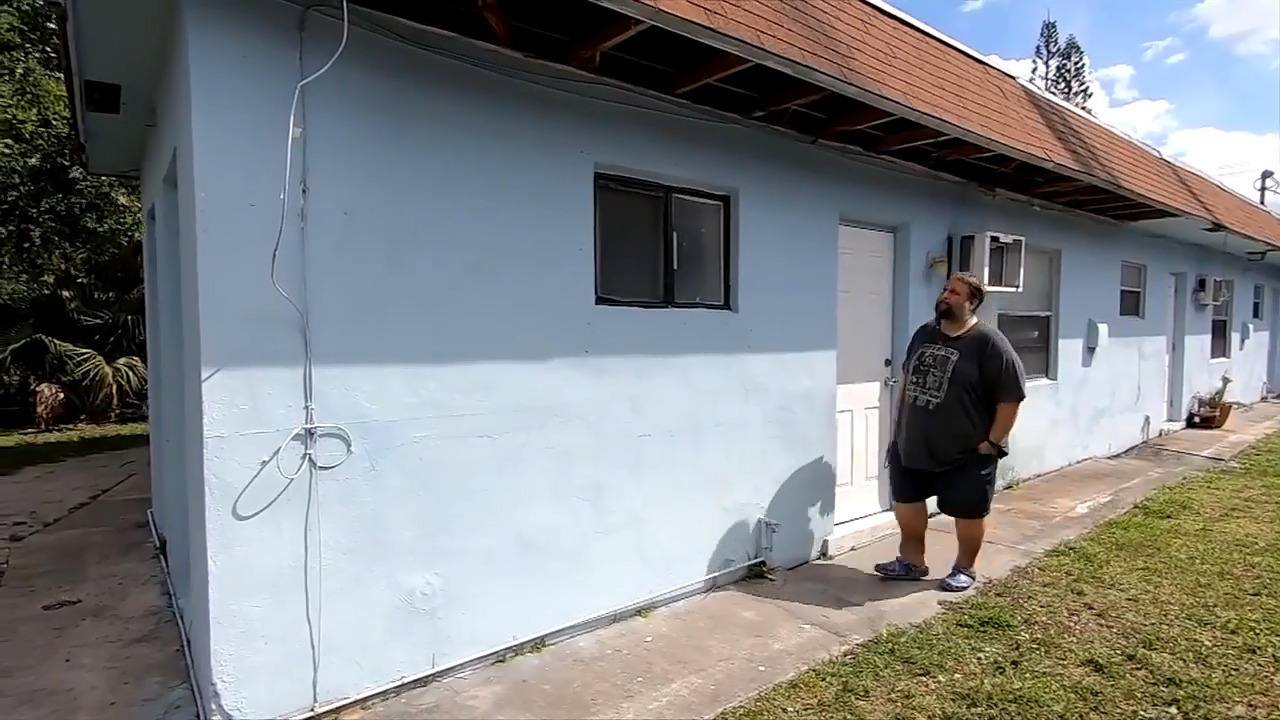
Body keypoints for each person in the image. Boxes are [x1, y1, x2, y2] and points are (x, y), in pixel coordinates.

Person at [874, 271, 1027, 592]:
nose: (945, 296)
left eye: (955, 293)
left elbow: (1010, 397)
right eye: (945, 290)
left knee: (968, 513)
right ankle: (911, 561)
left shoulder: (989, 343)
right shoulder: (924, 333)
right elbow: (907, 380)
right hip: (912, 443)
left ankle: (965, 568)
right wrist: (898, 428)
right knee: (907, 503)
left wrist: (992, 442)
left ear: (972, 303)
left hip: (967, 451)